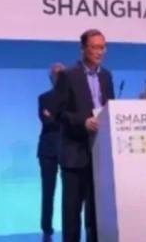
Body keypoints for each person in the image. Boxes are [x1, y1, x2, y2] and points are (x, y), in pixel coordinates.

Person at [55, 29, 114, 242]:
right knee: (72, 213)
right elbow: (59, 112)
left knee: (97, 213)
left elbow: (110, 108)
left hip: (100, 154)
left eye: (103, 47)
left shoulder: (106, 76)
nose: (100, 52)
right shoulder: (68, 75)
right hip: (75, 154)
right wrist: (83, 122)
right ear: (83, 49)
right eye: (95, 47)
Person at [37, 62, 65, 240]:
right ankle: (46, 228)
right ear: (50, 78)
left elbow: (70, 121)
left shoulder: (73, 98)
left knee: (71, 193)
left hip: (69, 149)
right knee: (48, 191)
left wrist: (55, 117)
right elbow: (47, 121)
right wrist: (62, 119)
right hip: (47, 150)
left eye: (62, 74)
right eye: (55, 74)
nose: (59, 77)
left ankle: (71, 227)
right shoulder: (44, 98)